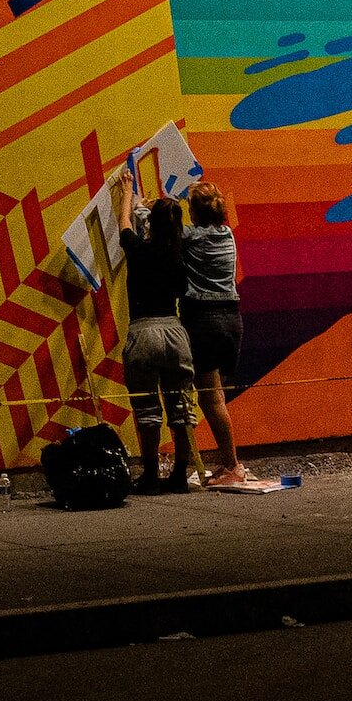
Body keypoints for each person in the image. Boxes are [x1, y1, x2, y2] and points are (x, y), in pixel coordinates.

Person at [116, 175, 196, 492]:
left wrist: (127, 194)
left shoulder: (139, 249)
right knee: (182, 407)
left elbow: (123, 223)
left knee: (147, 410)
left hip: (143, 331)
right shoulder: (179, 256)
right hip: (174, 331)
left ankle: (150, 475)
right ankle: (179, 474)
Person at [177, 179, 252, 486]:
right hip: (231, 318)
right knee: (216, 393)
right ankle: (228, 463)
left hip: (203, 320)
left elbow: (160, 231)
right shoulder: (228, 235)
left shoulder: (191, 238)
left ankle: (232, 466)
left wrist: (141, 208)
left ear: (194, 212)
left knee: (211, 398)